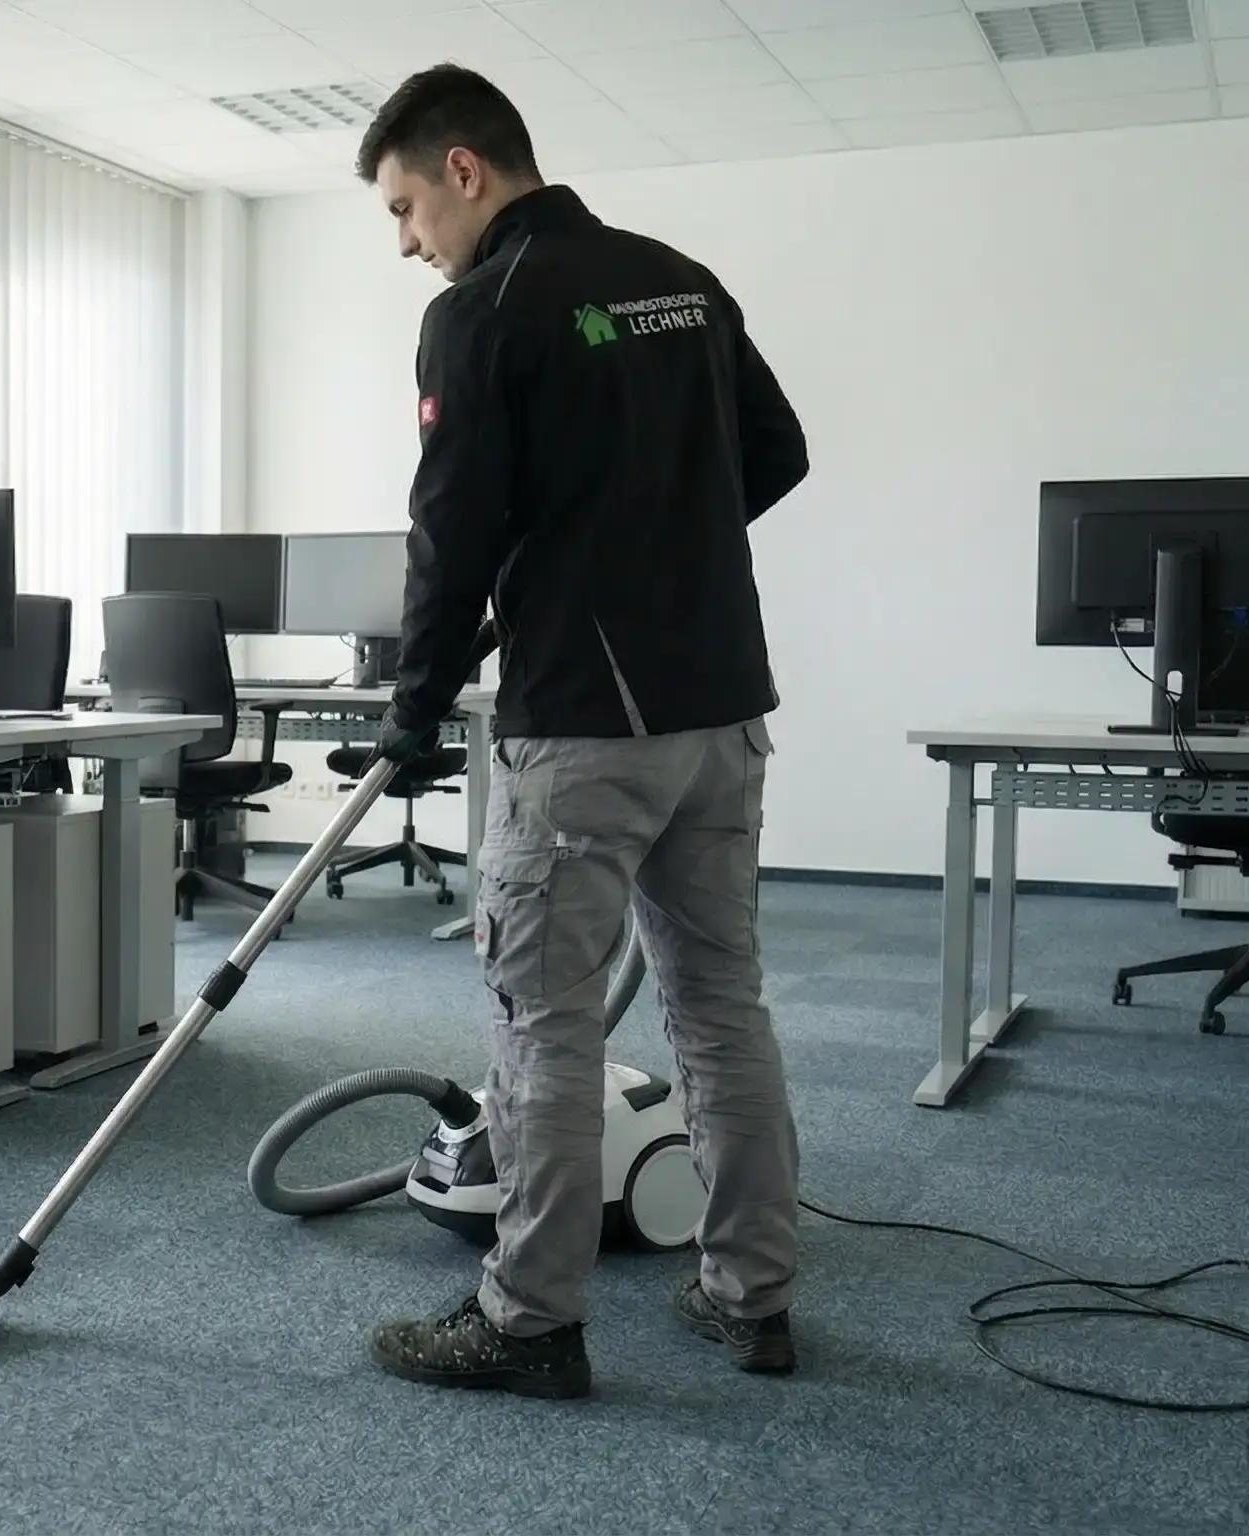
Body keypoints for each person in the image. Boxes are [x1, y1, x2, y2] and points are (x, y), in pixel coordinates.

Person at [355, 64, 811, 1401]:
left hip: (583, 739)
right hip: (722, 708)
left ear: (463, 170)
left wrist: (415, 706)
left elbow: (451, 537)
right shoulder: (682, 276)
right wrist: (657, 544)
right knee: (723, 1011)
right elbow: (775, 454)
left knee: (543, 1025)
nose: (404, 242)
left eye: (401, 207)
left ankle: (531, 1320)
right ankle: (753, 1295)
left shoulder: (479, 311)